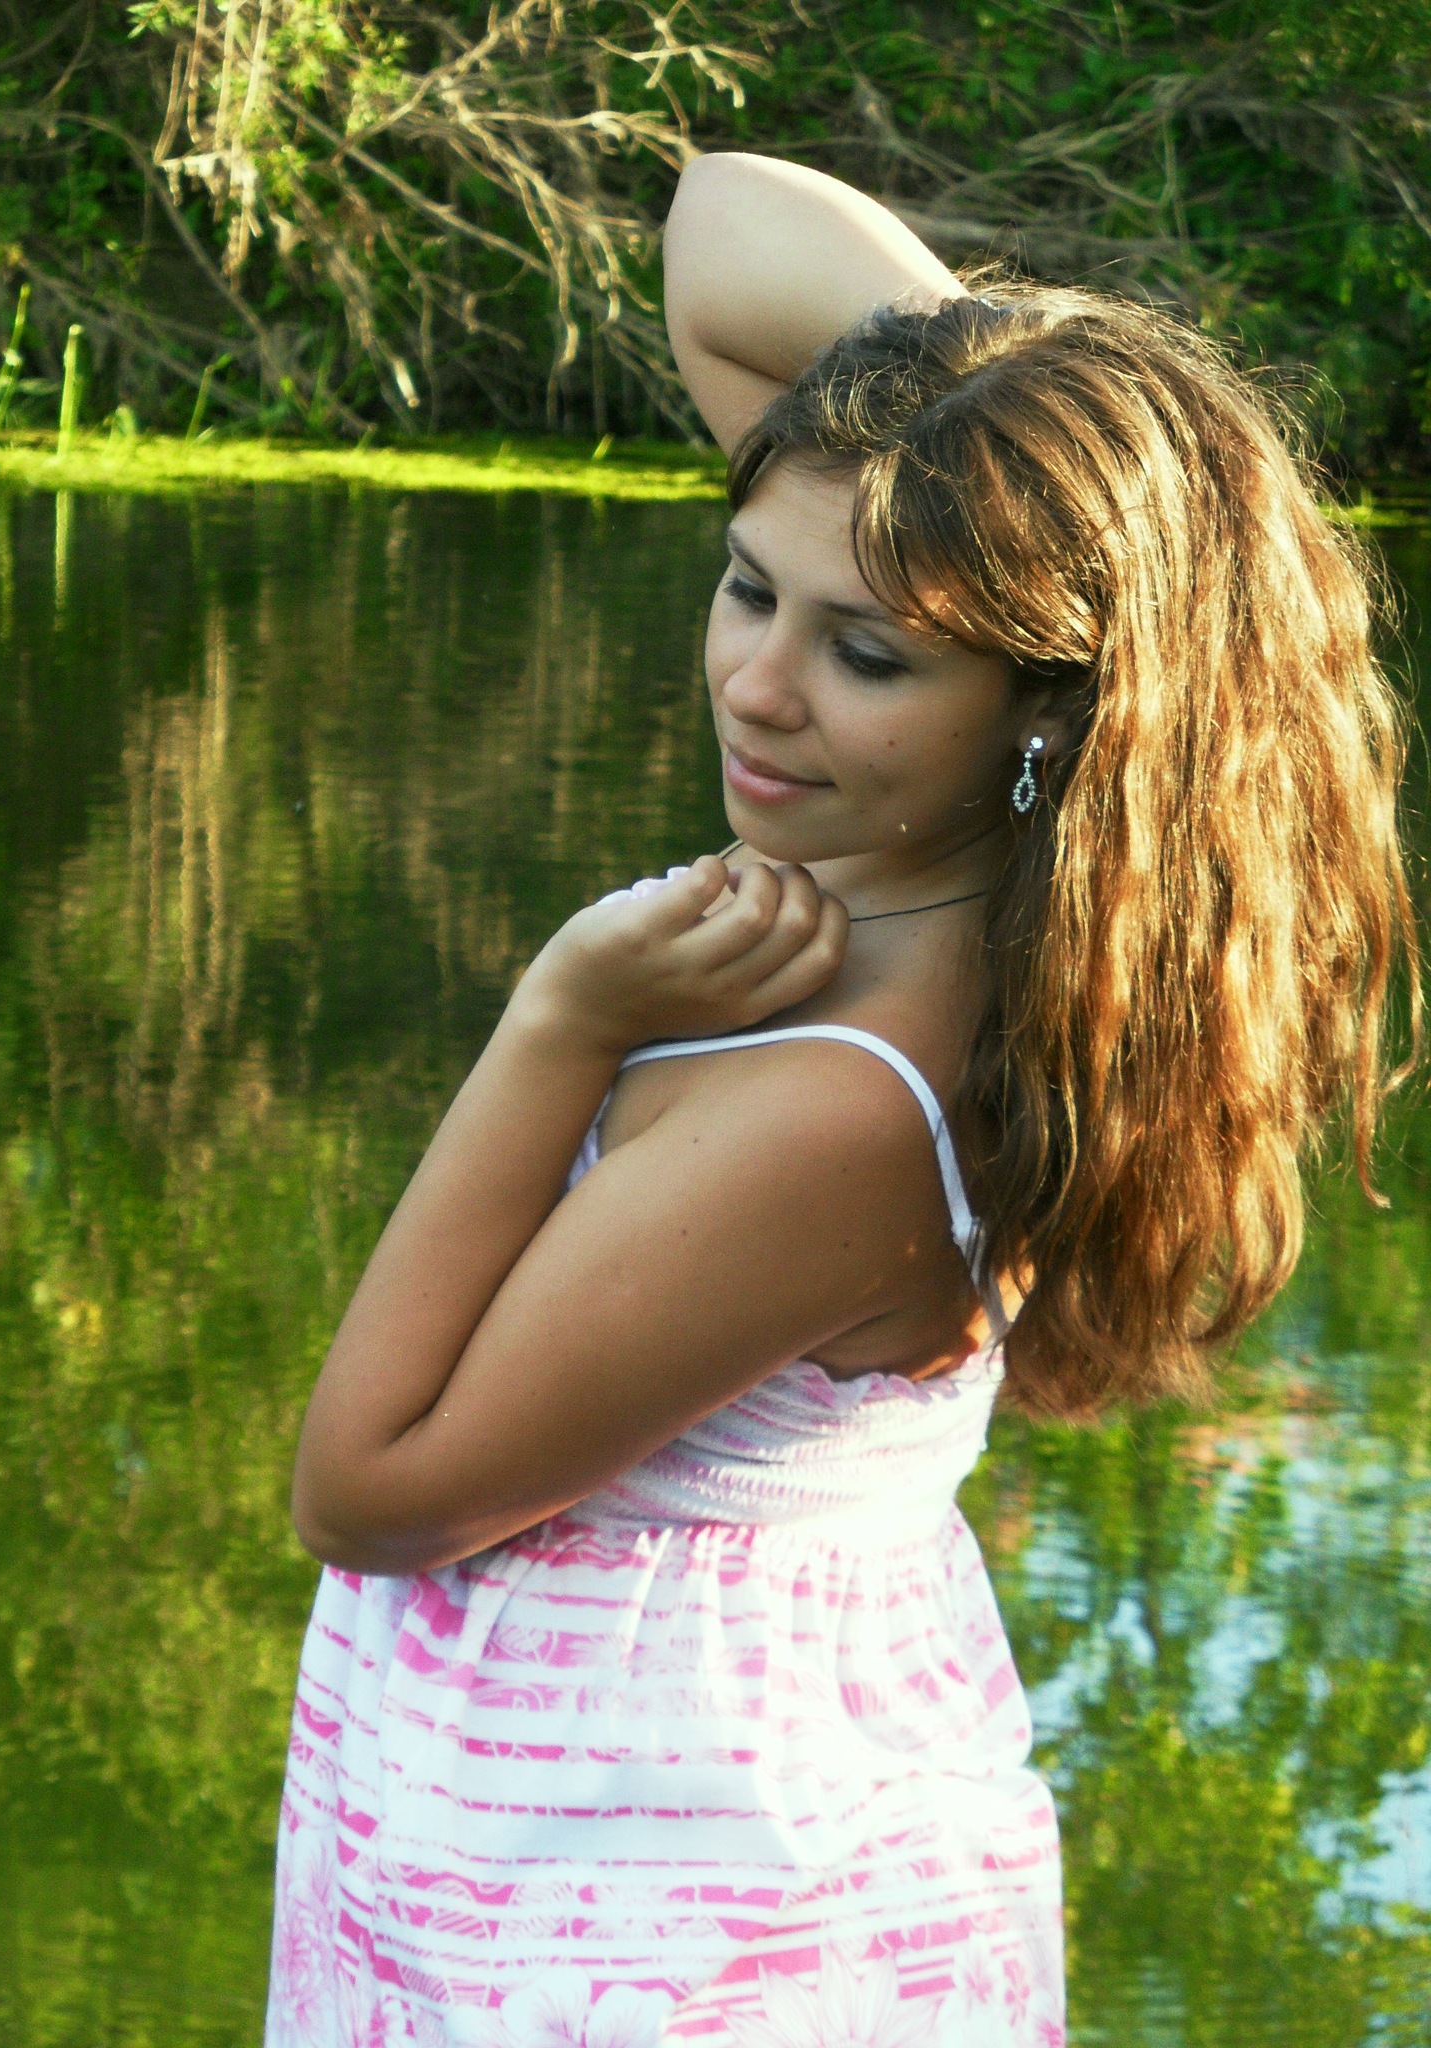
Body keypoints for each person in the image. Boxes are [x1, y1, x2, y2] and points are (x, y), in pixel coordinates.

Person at [265, 154, 1417, 2047]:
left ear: (1056, 705)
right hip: (625, 1852)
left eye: (864, 654)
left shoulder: (847, 1108)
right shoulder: (973, 904)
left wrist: (560, 1016)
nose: (757, 684)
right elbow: (719, 225)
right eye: (746, 589)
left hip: (645, 1928)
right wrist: (1014, 419)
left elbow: (369, 1491)